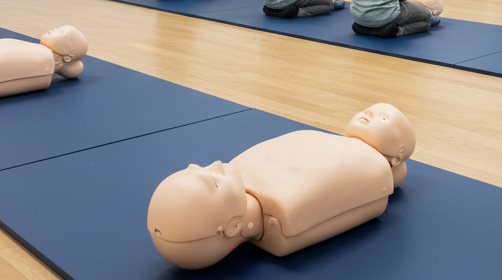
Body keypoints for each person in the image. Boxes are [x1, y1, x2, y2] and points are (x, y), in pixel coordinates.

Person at [147, 103, 415, 269]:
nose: (217, 164)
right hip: (364, 163)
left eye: (201, 168)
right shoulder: (287, 211)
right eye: (215, 181)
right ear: (232, 227)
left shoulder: (241, 171)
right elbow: (360, 195)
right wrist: (382, 175)